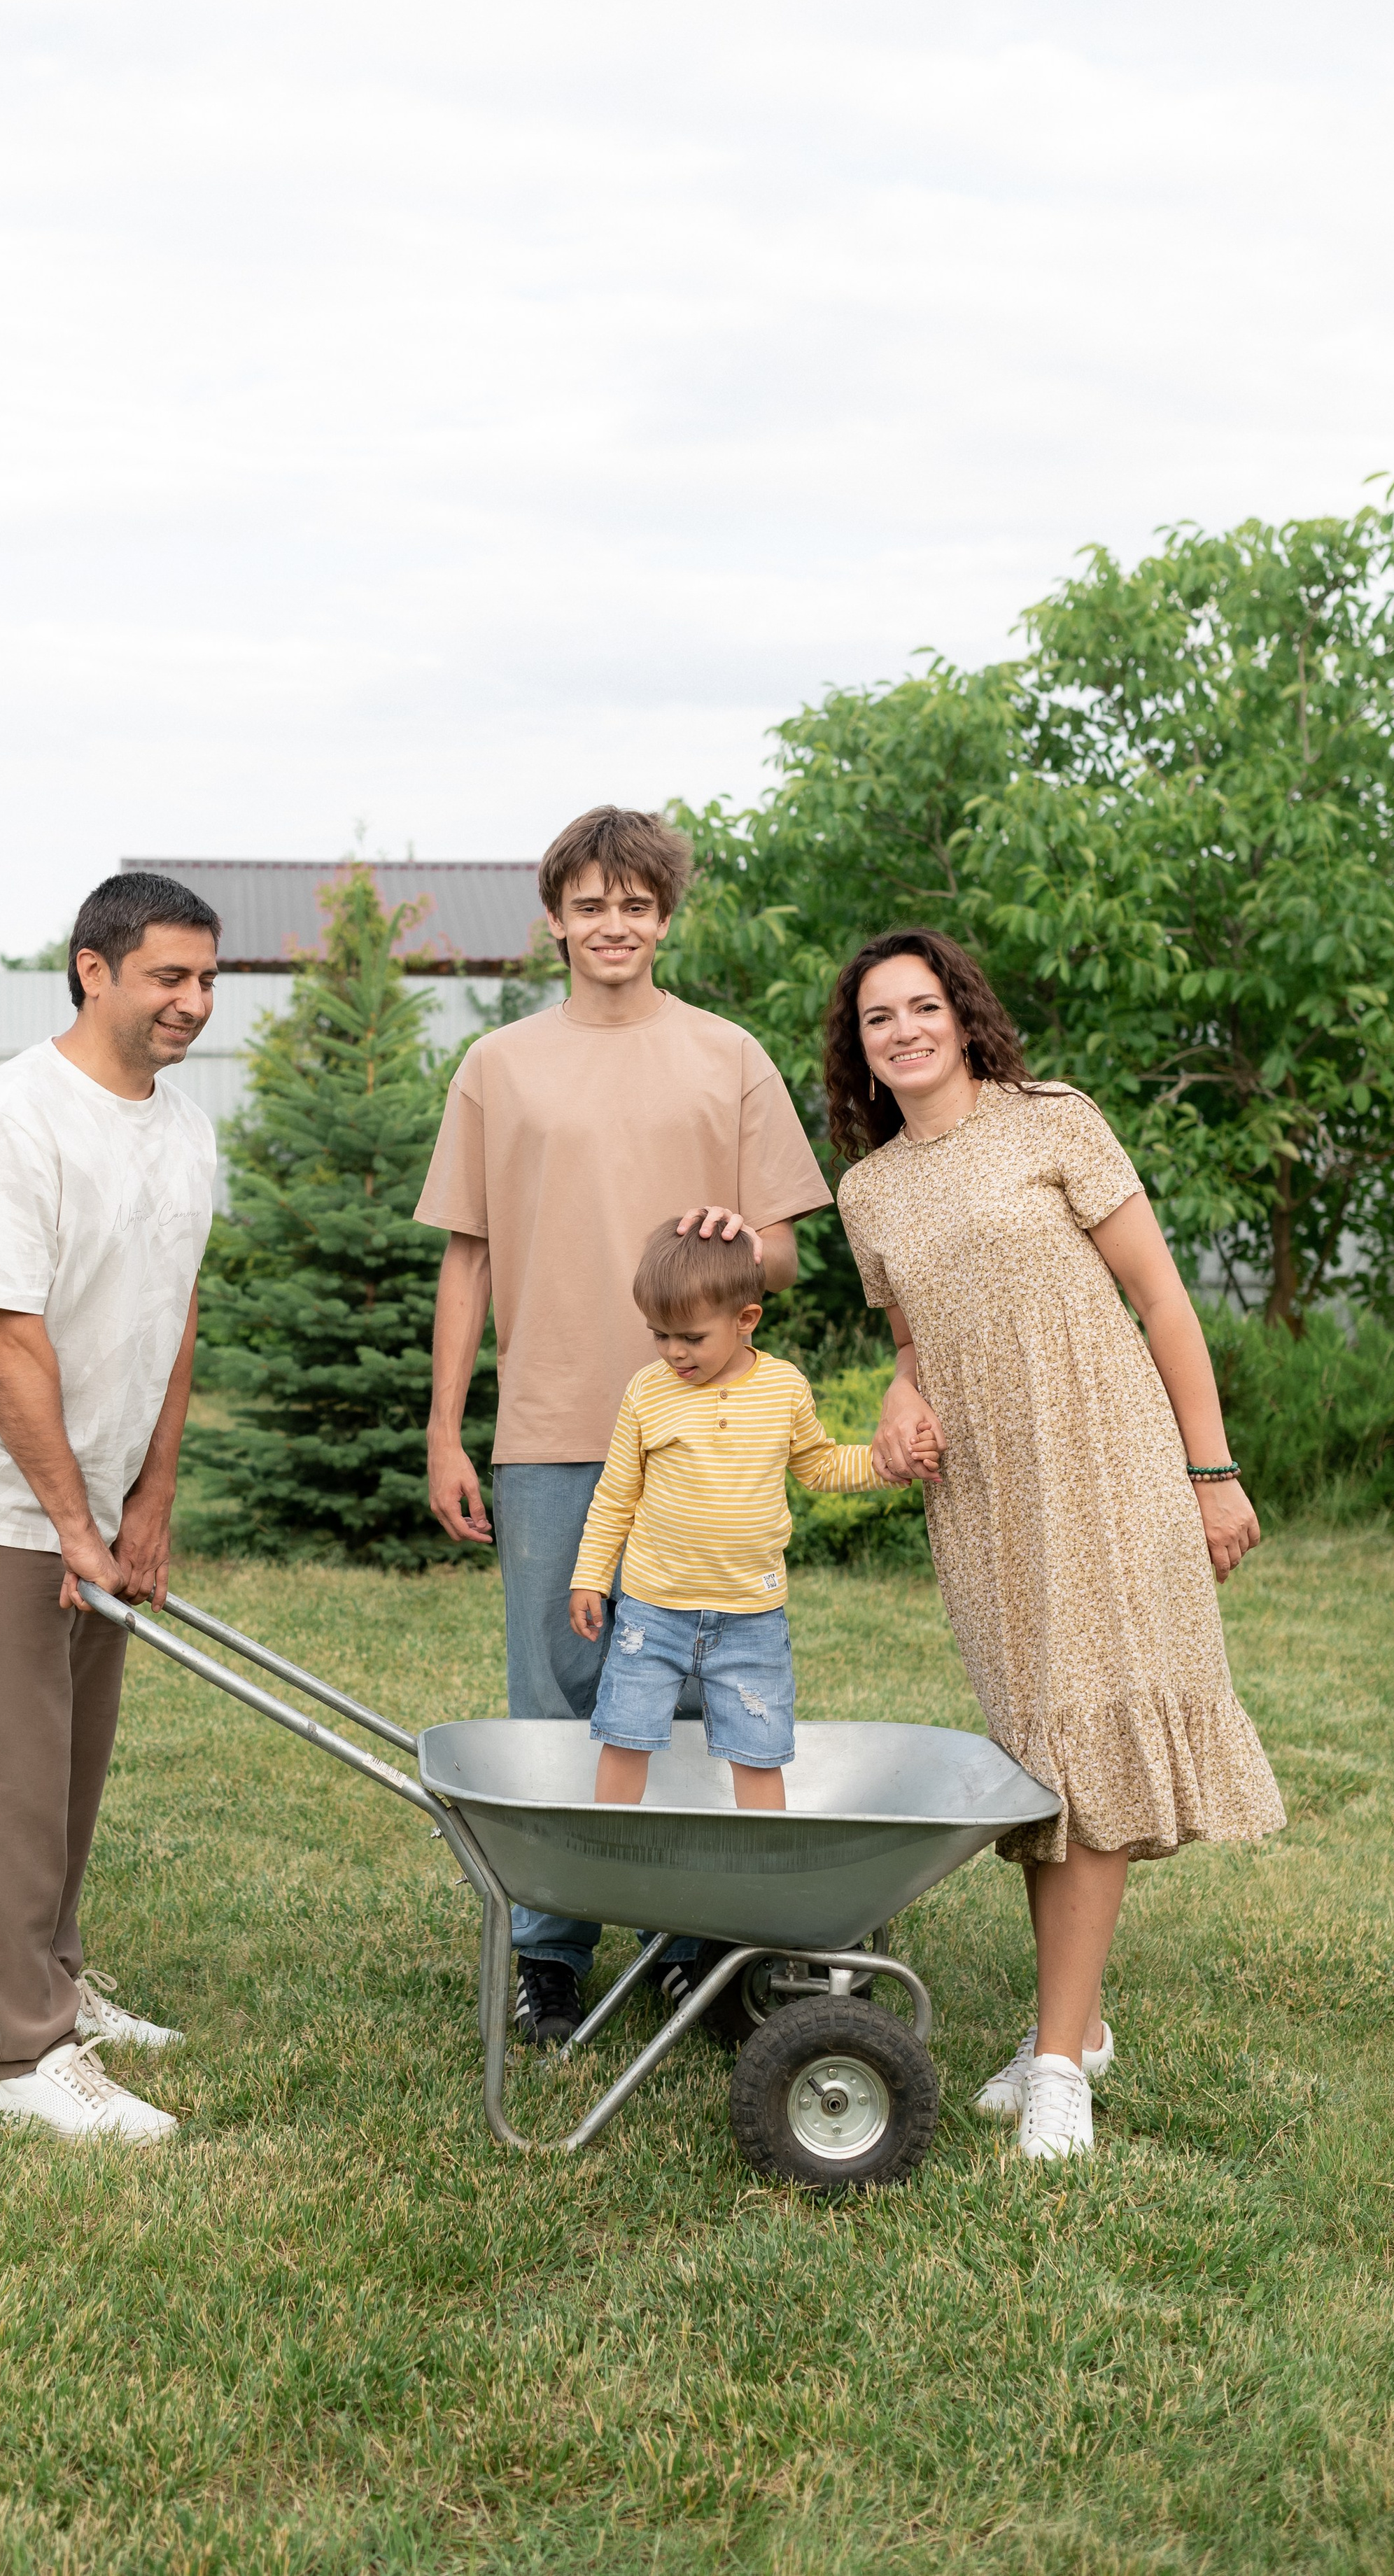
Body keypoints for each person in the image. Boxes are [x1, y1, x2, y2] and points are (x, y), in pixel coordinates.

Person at [830, 927, 1284, 2164]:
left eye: (924, 1005)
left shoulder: (1054, 1122)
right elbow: (916, 1341)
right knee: (1043, 1758)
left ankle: (1058, 2069)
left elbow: (1162, 1297)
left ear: (964, 1014)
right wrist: (899, 1396)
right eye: (879, 1017)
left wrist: (1211, 1469)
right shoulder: (868, 1192)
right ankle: (1070, 2028)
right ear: (859, 1047)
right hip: (985, 1495)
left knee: (1088, 1736)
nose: (905, 1030)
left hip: (1105, 1461)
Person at [417, 805, 835, 2044]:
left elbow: (785, 1250)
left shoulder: (728, 1055)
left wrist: (742, 1238)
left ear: (665, 917)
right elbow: (466, 1256)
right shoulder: (500, 1066)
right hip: (551, 1421)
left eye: (637, 904)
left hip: (710, 1427)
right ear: (555, 918)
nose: (615, 923)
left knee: (703, 1684)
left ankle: (694, 1946)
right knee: (559, 1690)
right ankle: (552, 1950)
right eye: (592, 903)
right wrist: (446, 1430)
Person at [0, 871, 222, 2145]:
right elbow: (4, 1335)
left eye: (207, 979)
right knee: (12, 1774)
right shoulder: (12, 1119)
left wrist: (149, 1498)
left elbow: (175, 1316)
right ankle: (27, 2056)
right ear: (94, 969)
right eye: (169, 976)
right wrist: (72, 1524)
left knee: (75, 1764)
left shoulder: (184, 1129)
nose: (194, 1001)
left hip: (101, 1493)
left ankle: (62, 1982)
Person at [570, 1218, 892, 1810]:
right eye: (660, 1335)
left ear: (746, 1319)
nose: (674, 1352)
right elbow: (615, 1496)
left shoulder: (784, 1387)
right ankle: (608, 1842)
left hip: (751, 1617)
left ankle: (763, 1859)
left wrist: (885, 1463)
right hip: (652, 1612)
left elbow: (819, 1465)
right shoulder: (647, 1391)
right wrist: (590, 1576)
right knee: (624, 1736)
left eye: (691, 1337)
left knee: (759, 1751)